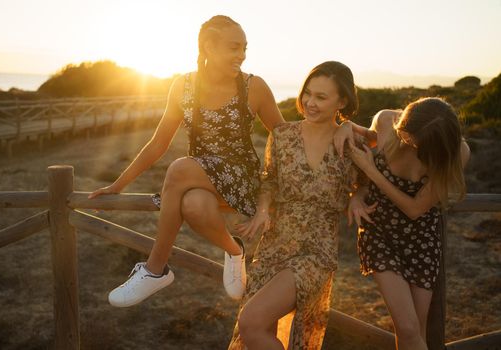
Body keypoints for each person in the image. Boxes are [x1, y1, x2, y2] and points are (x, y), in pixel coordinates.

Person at [88, 15, 284, 307]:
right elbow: (158, 143)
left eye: (244, 48)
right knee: (193, 204)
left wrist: (273, 192)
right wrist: (118, 185)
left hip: (243, 177)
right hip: (200, 178)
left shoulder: (253, 87)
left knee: (180, 168)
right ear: (208, 47)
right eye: (234, 48)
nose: (241, 55)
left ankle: (155, 270)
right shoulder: (183, 86)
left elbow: (285, 137)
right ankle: (235, 251)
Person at [228, 61, 362, 349]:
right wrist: (263, 210)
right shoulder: (283, 135)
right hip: (273, 244)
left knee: (250, 321)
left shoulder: (350, 143)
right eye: (307, 94)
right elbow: (269, 180)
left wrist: (360, 195)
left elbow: (371, 172)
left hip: (316, 251)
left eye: (321, 97)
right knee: (258, 331)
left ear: (342, 101)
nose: (310, 103)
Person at [335, 97, 470, 350]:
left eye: (415, 142)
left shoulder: (458, 152)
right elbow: (362, 136)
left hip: (421, 239)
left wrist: (372, 170)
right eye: (406, 136)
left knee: (414, 330)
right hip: (380, 232)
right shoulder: (388, 120)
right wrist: (345, 126)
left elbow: (415, 209)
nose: (408, 143)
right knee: (408, 328)